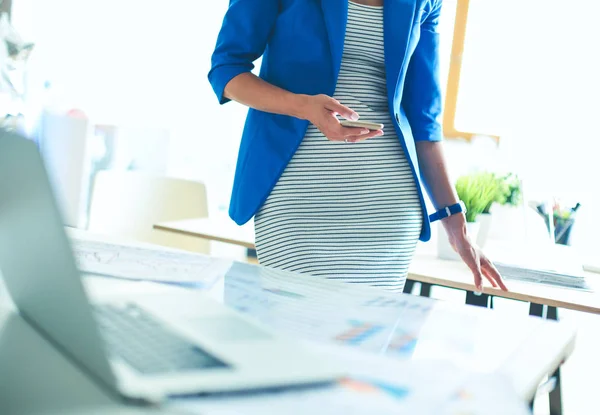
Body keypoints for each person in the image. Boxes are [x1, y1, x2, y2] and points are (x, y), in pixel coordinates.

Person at [208, 0, 507, 293]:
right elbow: (227, 69)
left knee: (369, 337)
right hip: (296, 201)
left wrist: (455, 223)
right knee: (293, 328)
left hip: (388, 209)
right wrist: (303, 106)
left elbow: (424, 121)